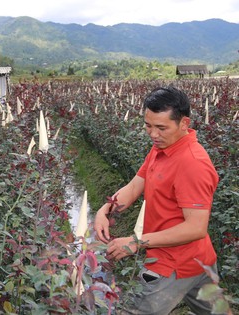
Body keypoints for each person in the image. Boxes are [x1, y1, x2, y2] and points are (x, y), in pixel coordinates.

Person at [93, 86, 220, 315]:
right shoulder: (161, 148)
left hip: (172, 265)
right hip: (198, 260)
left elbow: (196, 227)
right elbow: (134, 186)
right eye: (148, 125)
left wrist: (135, 242)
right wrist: (106, 209)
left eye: (161, 128)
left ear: (184, 123)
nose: (153, 134)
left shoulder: (192, 164)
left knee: (133, 310)